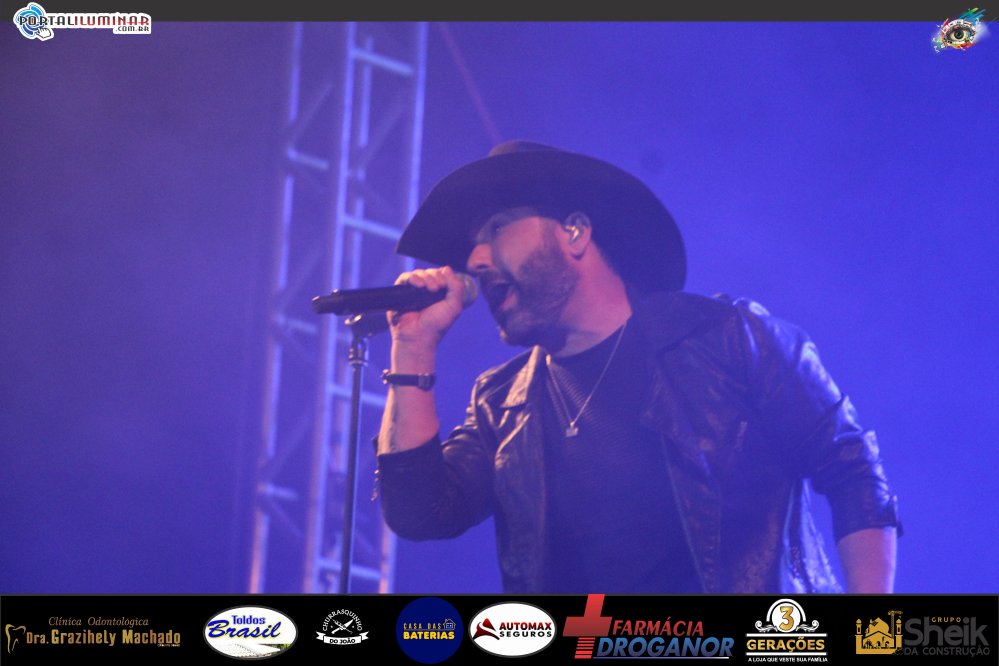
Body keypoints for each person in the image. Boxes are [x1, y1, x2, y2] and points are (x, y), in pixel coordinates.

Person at [374, 140, 901, 594]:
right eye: (473, 245)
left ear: (575, 232)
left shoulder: (728, 340)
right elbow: (421, 513)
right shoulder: (501, 402)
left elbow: (852, 470)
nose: (475, 260)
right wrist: (413, 347)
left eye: (496, 228)